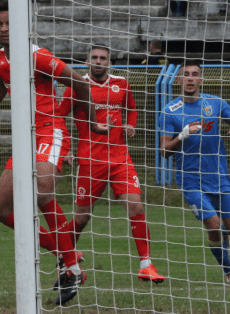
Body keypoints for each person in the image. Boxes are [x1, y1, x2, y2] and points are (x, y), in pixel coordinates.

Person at [0, 3, 103, 305]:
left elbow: (79, 81)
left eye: (8, 23)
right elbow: (1, 86)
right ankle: (68, 253)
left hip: (49, 131)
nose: (3, 29)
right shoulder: (1, 58)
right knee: (1, 209)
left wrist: (93, 121)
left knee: (42, 191)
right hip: (23, 140)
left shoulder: (37, 56)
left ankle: (72, 267)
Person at [57, 46, 165, 284]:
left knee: (135, 206)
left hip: (119, 158)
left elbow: (132, 109)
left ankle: (146, 265)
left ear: (109, 62)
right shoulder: (76, 86)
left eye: (103, 58)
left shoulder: (122, 84)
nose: (98, 61)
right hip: (90, 160)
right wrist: (65, 149)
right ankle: (65, 257)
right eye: (94, 58)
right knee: (82, 218)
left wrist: (131, 124)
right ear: (86, 61)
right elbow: (58, 116)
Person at [160, 61, 230, 284]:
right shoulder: (169, 112)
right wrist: (182, 136)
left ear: (201, 79)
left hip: (219, 177)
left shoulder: (215, 103)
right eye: (185, 75)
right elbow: (164, 150)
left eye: (195, 75)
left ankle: (227, 236)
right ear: (178, 80)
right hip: (191, 181)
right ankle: (229, 271)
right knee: (213, 226)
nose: (190, 79)